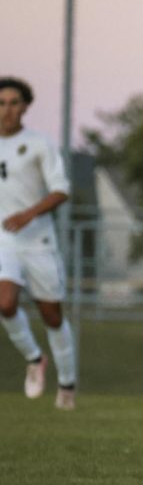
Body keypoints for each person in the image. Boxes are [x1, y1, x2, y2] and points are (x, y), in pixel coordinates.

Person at [0, 78, 76, 411]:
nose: (7, 110)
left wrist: (29, 214)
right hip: (4, 239)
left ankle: (67, 384)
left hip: (39, 240)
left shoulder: (39, 144)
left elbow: (61, 190)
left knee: (52, 316)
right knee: (4, 303)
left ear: (26, 106)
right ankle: (34, 358)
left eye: (14, 102)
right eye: (1, 103)